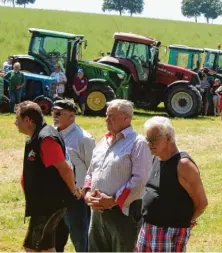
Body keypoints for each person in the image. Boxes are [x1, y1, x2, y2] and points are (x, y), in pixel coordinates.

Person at [83, 99, 152, 252]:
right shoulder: (103, 141)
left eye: (112, 116)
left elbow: (140, 179)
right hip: (97, 213)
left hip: (123, 213)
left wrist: (113, 200)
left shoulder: (137, 143)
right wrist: (87, 194)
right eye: (106, 115)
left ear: (127, 118)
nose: (107, 119)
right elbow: (90, 172)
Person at [136, 117, 208, 252]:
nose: (149, 144)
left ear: (168, 139)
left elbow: (202, 203)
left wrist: (187, 220)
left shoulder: (183, 165)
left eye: (153, 140)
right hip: (148, 229)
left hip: (169, 232)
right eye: (147, 140)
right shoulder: (156, 158)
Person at [15, 101, 76, 252]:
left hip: (50, 203)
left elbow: (65, 169)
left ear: (28, 120)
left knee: (32, 247)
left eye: (17, 119)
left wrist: (73, 192)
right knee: (45, 247)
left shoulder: (46, 138)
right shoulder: (35, 138)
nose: (15, 122)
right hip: (43, 204)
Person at [51, 100, 95, 252]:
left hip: (76, 199)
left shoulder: (83, 138)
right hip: (56, 197)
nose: (54, 116)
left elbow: (93, 168)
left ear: (71, 117)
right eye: (53, 112)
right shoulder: (51, 134)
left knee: (82, 241)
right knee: (55, 241)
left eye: (58, 113)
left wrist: (85, 192)